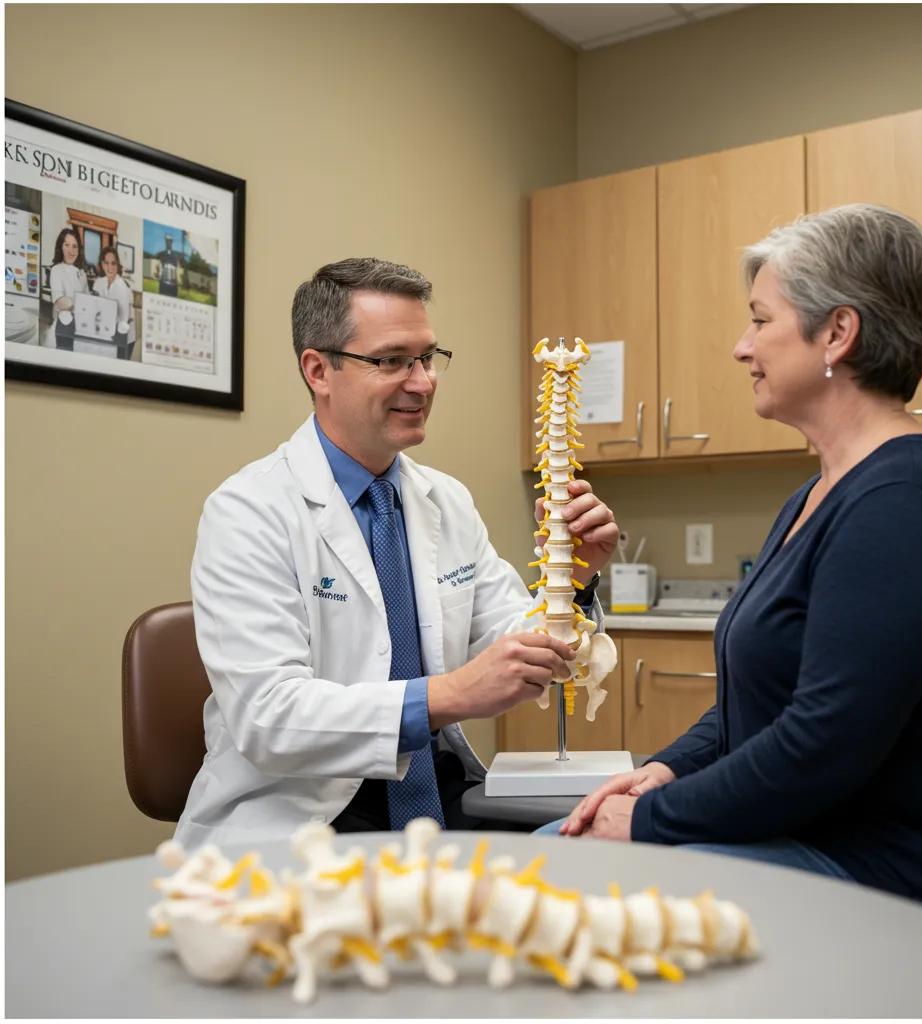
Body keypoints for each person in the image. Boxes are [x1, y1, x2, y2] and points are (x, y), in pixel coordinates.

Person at [546, 204, 922, 935]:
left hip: (900, 869)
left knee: (567, 892)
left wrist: (651, 819)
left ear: (837, 332)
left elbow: (821, 744)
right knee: (554, 856)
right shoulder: (822, 492)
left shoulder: (904, 503)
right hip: (813, 834)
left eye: (760, 320)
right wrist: (666, 770)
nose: (741, 347)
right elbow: (762, 702)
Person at [176, 257, 618, 849]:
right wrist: (450, 695)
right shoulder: (248, 511)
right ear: (318, 370)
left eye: (427, 358)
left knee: (601, 861)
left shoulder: (446, 501)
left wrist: (574, 583)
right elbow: (268, 717)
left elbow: (522, 650)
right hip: (306, 820)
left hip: (444, 799)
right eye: (391, 361)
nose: (422, 381)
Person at [46, 227, 89, 345]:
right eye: (67, 245)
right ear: (61, 247)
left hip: (80, 329)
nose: (71, 251)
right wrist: (81, 305)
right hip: (62, 327)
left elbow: (88, 301)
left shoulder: (82, 274)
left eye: (75, 246)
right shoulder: (56, 270)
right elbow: (60, 302)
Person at [93, 246, 135, 343]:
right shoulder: (98, 283)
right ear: (102, 264)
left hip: (123, 334)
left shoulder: (122, 287)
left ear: (117, 265)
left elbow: (124, 320)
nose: (110, 267)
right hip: (107, 329)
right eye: (106, 263)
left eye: (113, 263)